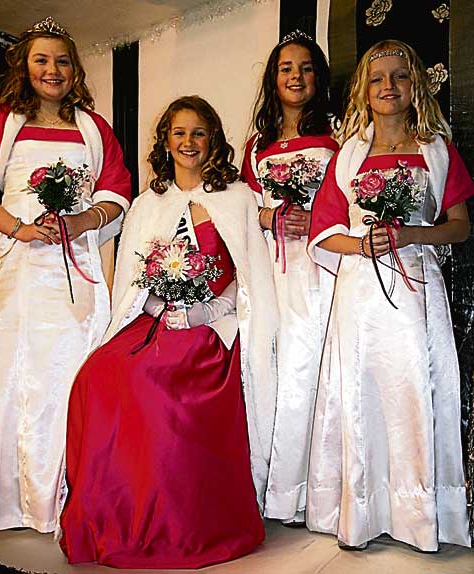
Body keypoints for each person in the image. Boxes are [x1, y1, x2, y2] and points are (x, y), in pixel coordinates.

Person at [59, 95, 278, 569]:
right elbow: (135, 277)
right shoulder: (147, 203)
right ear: (165, 142)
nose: (188, 142)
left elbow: (249, 272)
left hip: (213, 326)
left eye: (198, 132)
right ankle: (119, 511)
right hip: (155, 318)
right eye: (179, 133)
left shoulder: (238, 197)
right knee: (98, 374)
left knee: (150, 381)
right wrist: (157, 305)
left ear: (213, 140)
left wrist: (209, 310)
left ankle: (178, 518)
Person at [306, 39, 473, 552]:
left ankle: (420, 516)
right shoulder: (347, 157)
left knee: (415, 391)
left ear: (415, 85)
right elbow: (323, 233)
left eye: (400, 76)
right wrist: (363, 243)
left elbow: (460, 227)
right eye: (377, 78)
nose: (388, 86)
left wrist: (412, 234)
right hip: (360, 294)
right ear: (363, 90)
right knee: (361, 395)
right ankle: (362, 512)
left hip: (417, 289)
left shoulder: (437, 151)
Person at [0, 17, 131, 533]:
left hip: (78, 271)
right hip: (22, 268)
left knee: (74, 372)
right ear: (24, 67)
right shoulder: (2, 121)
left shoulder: (94, 128)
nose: (53, 70)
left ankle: (70, 496)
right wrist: (19, 228)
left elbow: (117, 192)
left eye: (63, 61)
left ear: (75, 69)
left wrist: (81, 221)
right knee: (15, 373)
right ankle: (13, 499)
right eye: (41, 60)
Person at [241, 30, 338, 526]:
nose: (295, 76)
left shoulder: (339, 136)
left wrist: (313, 217)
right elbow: (242, 208)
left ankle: (305, 493)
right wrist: (270, 216)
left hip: (318, 270)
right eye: (285, 68)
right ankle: (268, 487)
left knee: (308, 369)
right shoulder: (256, 146)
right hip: (269, 269)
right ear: (273, 79)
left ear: (318, 77)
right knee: (268, 369)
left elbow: (349, 205)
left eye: (305, 68)